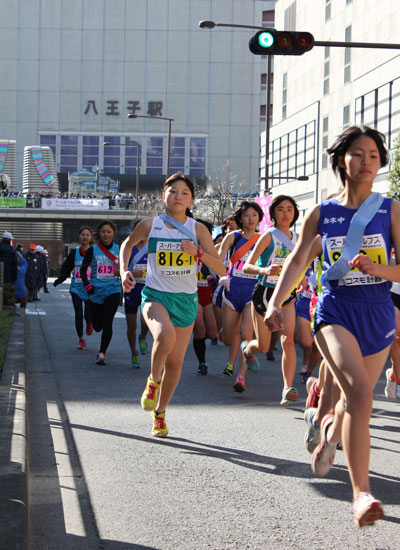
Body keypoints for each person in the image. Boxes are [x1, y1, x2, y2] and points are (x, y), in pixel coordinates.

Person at [265, 125, 400, 527]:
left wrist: (381, 268)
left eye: (374, 156)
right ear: (342, 159)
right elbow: (298, 260)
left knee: (352, 401)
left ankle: (327, 434)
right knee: (361, 392)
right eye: (358, 154)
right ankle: (362, 494)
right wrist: (277, 300)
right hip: (335, 310)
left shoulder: (391, 209)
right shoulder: (322, 213)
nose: (366, 161)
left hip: (378, 312)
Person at [120, 173, 225, 437]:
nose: (178, 197)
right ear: (163, 195)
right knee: (164, 336)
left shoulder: (198, 229)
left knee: (176, 364)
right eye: (172, 191)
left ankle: (160, 413)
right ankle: (152, 382)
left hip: (186, 301)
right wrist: (124, 270)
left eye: (184, 193)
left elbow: (221, 267)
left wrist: (199, 253)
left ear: (192, 199)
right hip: (155, 296)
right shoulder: (150, 224)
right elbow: (127, 244)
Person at [242, 195, 301, 405]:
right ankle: (248, 351)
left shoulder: (298, 238)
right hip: (265, 293)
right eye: (281, 209)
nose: (285, 214)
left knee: (288, 340)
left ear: (295, 213)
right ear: (273, 213)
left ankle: (287, 388)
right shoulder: (268, 236)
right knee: (264, 346)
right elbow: (246, 266)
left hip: (287, 295)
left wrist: (300, 280)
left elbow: (301, 266)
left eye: (290, 209)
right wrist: (264, 269)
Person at [217, 201, 263, 393]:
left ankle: (241, 376)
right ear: (239, 218)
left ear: (259, 217)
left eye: (254, 215)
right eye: (246, 215)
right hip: (232, 289)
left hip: (253, 291)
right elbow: (217, 259)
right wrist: (222, 276)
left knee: (246, 333)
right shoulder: (232, 237)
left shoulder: (264, 238)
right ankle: (225, 333)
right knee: (229, 338)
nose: (250, 219)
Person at [81, 220, 122, 365]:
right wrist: (87, 286)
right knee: (98, 326)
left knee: (108, 322)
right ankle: (92, 322)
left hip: (113, 289)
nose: (106, 234)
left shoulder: (119, 249)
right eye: (103, 232)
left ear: (113, 234)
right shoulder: (93, 250)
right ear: (99, 233)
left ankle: (101, 353)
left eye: (109, 232)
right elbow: (83, 269)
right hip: (96, 291)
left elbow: (124, 267)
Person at [53, 226, 94, 350]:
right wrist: (59, 280)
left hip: (89, 287)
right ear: (79, 236)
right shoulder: (74, 253)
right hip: (76, 287)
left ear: (90, 237)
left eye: (87, 235)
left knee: (88, 314)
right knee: (78, 314)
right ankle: (81, 339)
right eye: (83, 235)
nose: (85, 237)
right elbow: (66, 268)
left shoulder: (94, 252)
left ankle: (90, 322)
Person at [122, 220, 149, 369]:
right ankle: (134, 352)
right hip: (132, 289)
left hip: (148, 289)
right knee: (131, 326)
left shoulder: (153, 247)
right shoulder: (128, 247)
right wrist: (130, 273)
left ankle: (143, 336)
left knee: (146, 322)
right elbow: (119, 269)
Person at [192, 219, 218, 375]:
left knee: (213, 333)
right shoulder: (186, 248)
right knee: (200, 330)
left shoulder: (212, 251)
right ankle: (202, 362)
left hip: (208, 294)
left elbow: (220, 269)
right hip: (192, 294)